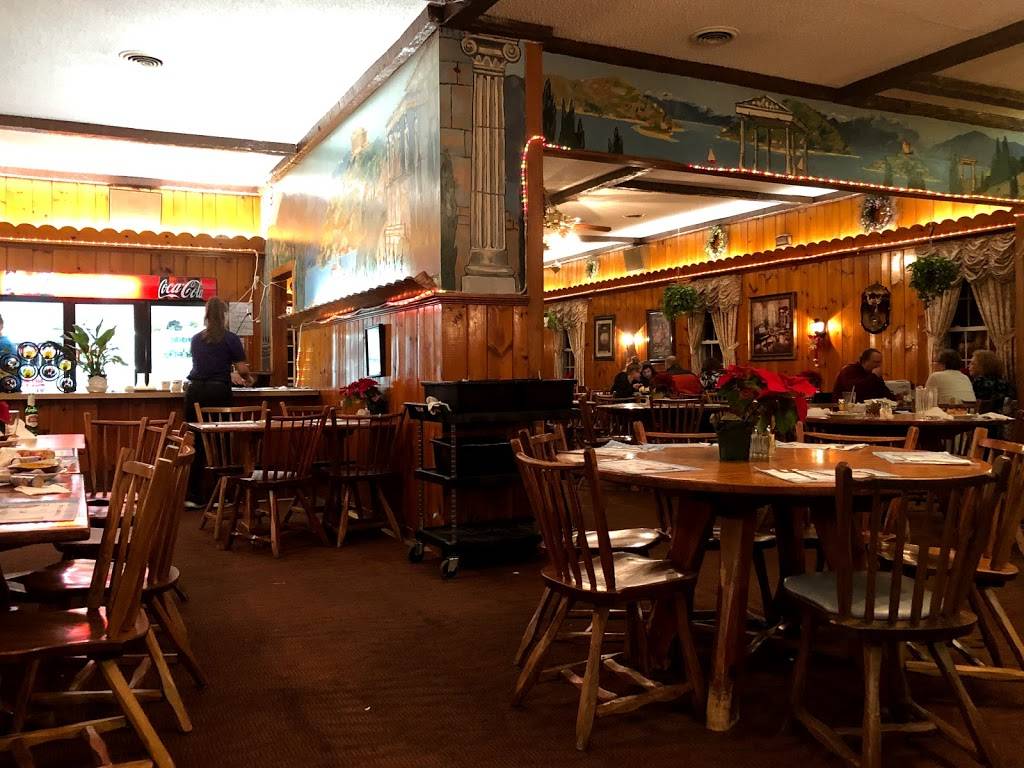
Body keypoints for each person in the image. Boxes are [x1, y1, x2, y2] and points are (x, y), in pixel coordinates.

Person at [184, 297, 252, 505]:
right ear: (224, 315)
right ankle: (222, 496)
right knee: (221, 443)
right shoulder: (231, 338)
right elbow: (242, 369)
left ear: (206, 315)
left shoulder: (196, 339)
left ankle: (194, 496)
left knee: (196, 442)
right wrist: (248, 378)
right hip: (217, 392)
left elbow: (204, 365)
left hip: (194, 392)